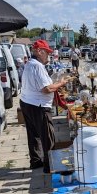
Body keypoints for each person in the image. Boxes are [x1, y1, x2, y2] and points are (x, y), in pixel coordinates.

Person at [20, 39, 69, 173]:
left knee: (34, 135)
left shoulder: (30, 64)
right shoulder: (37, 66)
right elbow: (46, 89)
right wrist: (61, 83)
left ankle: (36, 161)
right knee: (47, 136)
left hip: (28, 102)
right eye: (46, 52)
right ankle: (49, 165)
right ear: (39, 51)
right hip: (38, 105)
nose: (48, 55)